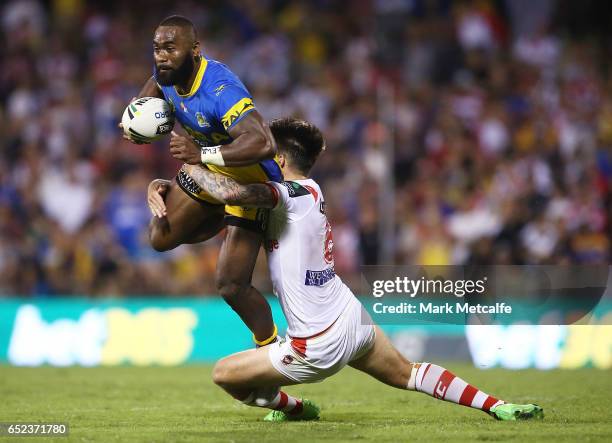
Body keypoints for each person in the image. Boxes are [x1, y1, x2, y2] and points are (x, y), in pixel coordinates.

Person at [150, 117, 544, 422]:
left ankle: (293, 408)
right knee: (409, 373)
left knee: (224, 374)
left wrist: (196, 160)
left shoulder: (291, 194)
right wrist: (162, 185)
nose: (260, 157)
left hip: (315, 344)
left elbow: (229, 193)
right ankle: (499, 406)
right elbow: (214, 215)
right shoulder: (309, 193)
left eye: (268, 153)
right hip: (347, 315)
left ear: (281, 160)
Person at [125, 15, 279, 346]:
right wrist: (137, 125)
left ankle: (270, 351)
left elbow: (264, 143)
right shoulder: (166, 73)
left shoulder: (220, 90)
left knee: (231, 286)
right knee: (159, 237)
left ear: (195, 50)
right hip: (207, 171)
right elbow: (142, 106)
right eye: (156, 49)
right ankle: (218, 214)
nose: (162, 55)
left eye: (170, 48)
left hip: (248, 184)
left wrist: (203, 154)